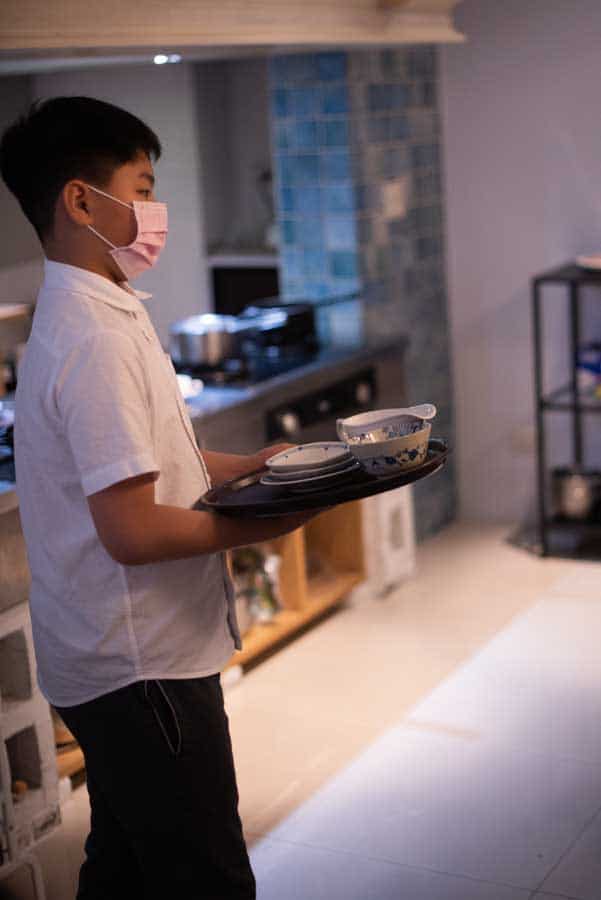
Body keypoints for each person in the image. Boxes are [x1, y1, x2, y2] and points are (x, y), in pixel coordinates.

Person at [0, 95, 313, 899]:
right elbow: (133, 530)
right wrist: (266, 521)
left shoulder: (97, 307)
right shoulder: (94, 337)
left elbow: (145, 458)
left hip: (116, 662)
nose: (153, 212)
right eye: (141, 189)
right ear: (80, 201)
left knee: (127, 868)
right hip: (140, 672)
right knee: (203, 878)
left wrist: (247, 467)